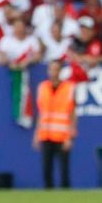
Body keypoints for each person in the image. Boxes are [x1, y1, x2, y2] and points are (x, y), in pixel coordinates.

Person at [33, 60, 76, 189]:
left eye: (56, 69)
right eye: (51, 69)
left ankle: (65, 195)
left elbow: (72, 113)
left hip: (62, 135)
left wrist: (70, 136)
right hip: (46, 134)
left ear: (61, 71)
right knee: (46, 168)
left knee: (64, 169)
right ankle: (48, 195)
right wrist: (36, 134)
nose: (53, 72)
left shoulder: (69, 88)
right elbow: (41, 112)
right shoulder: (42, 87)